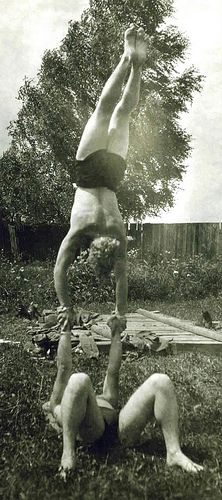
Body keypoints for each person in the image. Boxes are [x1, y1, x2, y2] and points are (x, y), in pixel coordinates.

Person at [54, 24, 148, 326]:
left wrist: (118, 311)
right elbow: (59, 270)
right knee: (109, 110)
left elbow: (121, 278)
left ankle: (134, 64)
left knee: (118, 112)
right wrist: (66, 305)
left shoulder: (117, 232)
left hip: (110, 177)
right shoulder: (80, 231)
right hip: (91, 173)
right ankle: (128, 59)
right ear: (92, 253)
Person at [43, 314, 203, 479]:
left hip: (121, 429)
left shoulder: (106, 397)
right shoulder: (58, 406)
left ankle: (174, 452)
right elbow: (63, 368)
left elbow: (113, 369)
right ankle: (68, 454)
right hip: (92, 431)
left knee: (161, 381)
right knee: (78, 379)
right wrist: (65, 331)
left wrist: (116, 332)